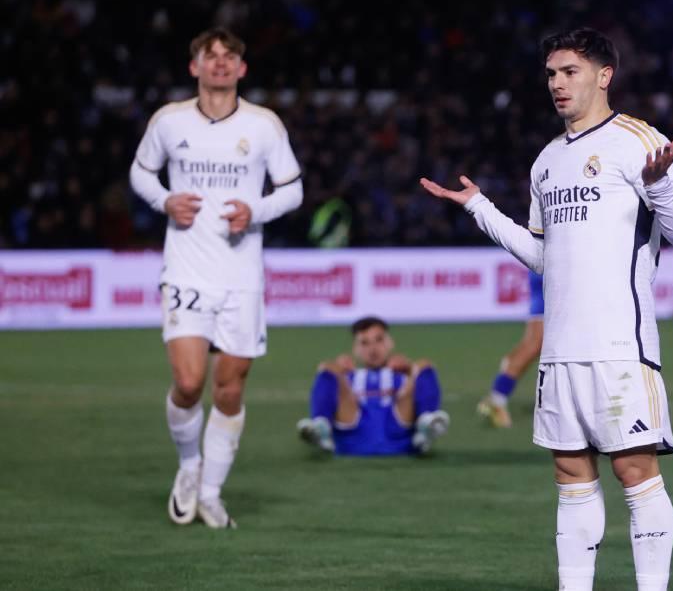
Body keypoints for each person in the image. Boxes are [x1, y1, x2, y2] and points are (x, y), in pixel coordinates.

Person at [421, 27, 673, 591]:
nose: (557, 83)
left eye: (569, 71)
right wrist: (479, 207)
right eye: (551, 73)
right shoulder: (547, 160)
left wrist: (662, 186)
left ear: (604, 75)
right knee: (570, 475)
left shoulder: (640, 141)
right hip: (560, 349)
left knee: (634, 471)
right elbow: (544, 256)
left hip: (621, 344)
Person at [129, 27, 304, 529]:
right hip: (186, 268)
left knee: (229, 391)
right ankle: (189, 467)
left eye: (230, 57)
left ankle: (210, 492)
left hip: (242, 276)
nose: (221, 63)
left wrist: (256, 210)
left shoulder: (264, 125)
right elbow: (141, 173)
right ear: (195, 66)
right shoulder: (169, 121)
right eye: (212, 56)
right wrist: (165, 199)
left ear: (242, 69)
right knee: (188, 383)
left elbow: (291, 189)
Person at [297, 316, 450, 456]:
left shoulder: (401, 374)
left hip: (398, 430)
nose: (373, 349)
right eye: (364, 343)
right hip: (353, 434)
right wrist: (338, 369)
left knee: (423, 365)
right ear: (355, 349)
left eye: (379, 340)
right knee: (327, 367)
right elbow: (335, 384)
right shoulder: (348, 376)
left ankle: (426, 425)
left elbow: (415, 385)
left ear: (390, 343)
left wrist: (409, 368)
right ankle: (320, 427)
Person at [477, 270, 544, 428]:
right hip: (551, 271)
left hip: (550, 269)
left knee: (534, 342)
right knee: (535, 343)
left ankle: (498, 394)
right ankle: (497, 398)